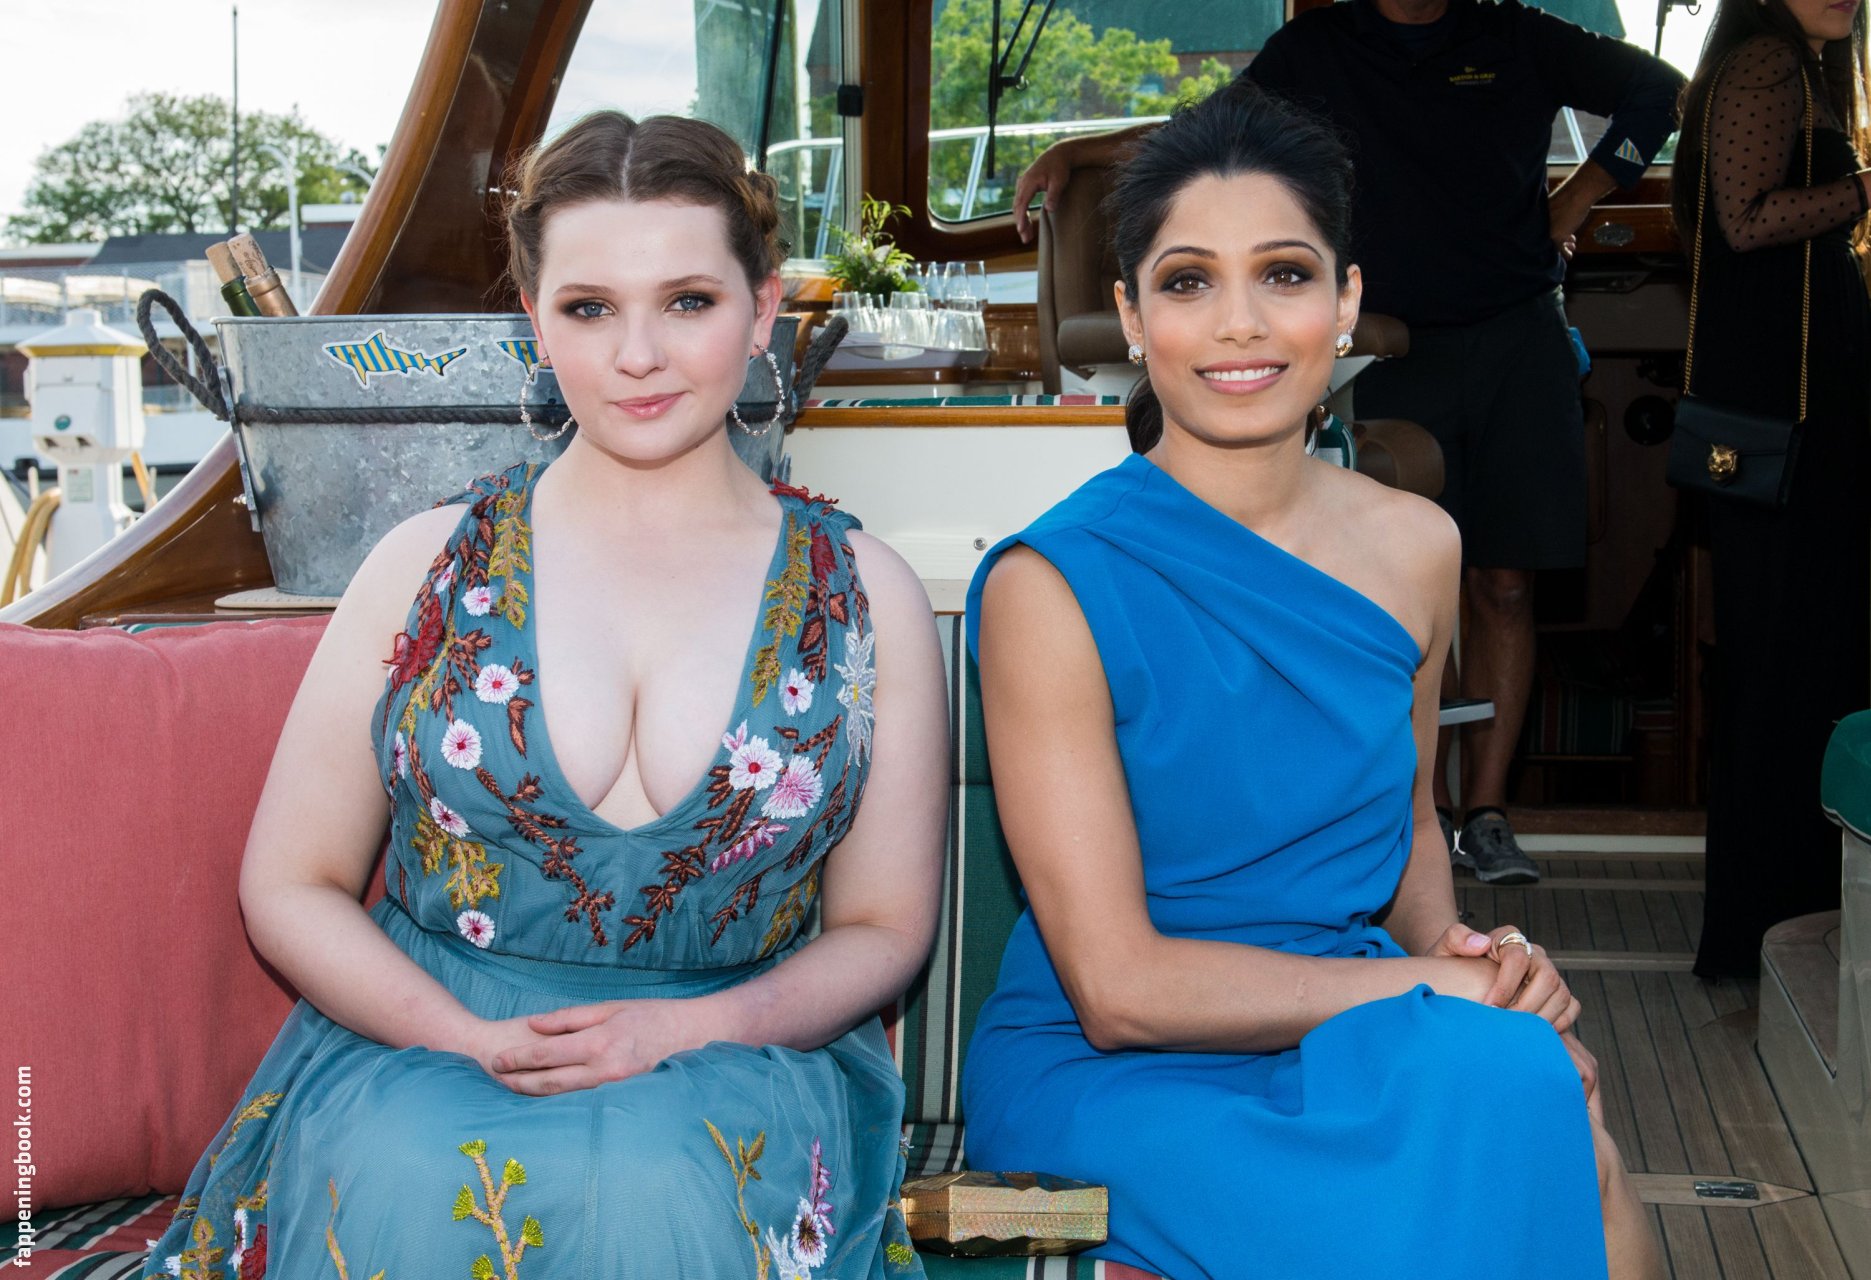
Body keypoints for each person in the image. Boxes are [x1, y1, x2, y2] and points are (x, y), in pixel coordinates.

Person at [143, 112, 948, 1280]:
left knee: (662, 1184)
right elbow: (289, 881)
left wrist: (692, 1026)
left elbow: (884, 927)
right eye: (588, 307)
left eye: (687, 301)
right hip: (423, 1049)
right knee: (422, 1176)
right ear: (533, 320)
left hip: (732, 1053)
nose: (638, 354)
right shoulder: (419, 566)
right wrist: (461, 1034)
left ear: (762, 308)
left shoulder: (865, 594)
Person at [964, 85, 1662, 1279]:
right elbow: (1118, 988)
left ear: (1342, 301)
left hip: (1354, 1016)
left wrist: (1478, 958)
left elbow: (1408, 830)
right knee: (1485, 1155)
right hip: (1112, 1068)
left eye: (1283, 274)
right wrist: (1429, 992)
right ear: (1130, 315)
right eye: (1188, 281)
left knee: (1547, 1099)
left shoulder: (1417, 545)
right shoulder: (1052, 583)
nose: (1238, 322)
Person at [1012, 0, 1686, 884]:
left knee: (1506, 584)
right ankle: (1416, 815)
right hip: (1387, 344)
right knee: (1391, 582)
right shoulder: (1318, 48)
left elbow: (1658, 92)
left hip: (1513, 334)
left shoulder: (1518, 35)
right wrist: (1079, 152)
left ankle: (1486, 812)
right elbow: (1204, 129)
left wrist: (1574, 202)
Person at [1670, 0, 1870, 978]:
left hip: (1804, 421)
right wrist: (1862, 190)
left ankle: (1794, 913)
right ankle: (1766, 921)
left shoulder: (1790, 64)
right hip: (1787, 429)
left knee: (1803, 659)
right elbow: (1743, 221)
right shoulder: (1764, 62)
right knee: (1786, 661)